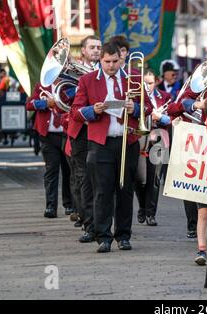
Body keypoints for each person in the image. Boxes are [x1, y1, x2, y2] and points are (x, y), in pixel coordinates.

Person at [71, 43, 152, 253]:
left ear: (121, 59)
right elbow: (76, 112)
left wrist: (136, 108)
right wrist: (93, 110)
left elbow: (148, 107)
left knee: (125, 189)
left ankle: (123, 236)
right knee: (102, 191)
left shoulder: (133, 78)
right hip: (101, 143)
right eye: (107, 62)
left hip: (128, 141)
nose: (111, 66)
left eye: (115, 61)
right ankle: (103, 237)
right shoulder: (87, 80)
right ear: (101, 60)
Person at [67, 35, 102, 239]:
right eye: (92, 47)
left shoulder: (108, 69)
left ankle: (101, 222)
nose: (96, 50)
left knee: (102, 179)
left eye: (99, 47)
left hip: (101, 129)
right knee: (83, 179)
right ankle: (89, 224)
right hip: (81, 130)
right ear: (84, 51)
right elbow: (65, 98)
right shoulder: (72, 71)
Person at [26, 83, 74, 218]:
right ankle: (50, 206)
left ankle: (69, 204)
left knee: (68, 170)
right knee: (51, 170)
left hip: (66, 134)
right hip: (47, 135)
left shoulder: (69, 84)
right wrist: (46, 103)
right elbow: (29, 105)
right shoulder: (41, 86)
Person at [134, 69, 171, 226]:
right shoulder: (136, 96)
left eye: (150, 83)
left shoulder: (165, 97)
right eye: (144, 83)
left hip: (159, 139)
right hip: (141, 139)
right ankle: (142, 205)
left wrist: (159, 117)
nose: (147, 87)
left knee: (154, 179)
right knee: (139, 179)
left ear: (156, 82)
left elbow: (172, 119)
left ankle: (151, 213)